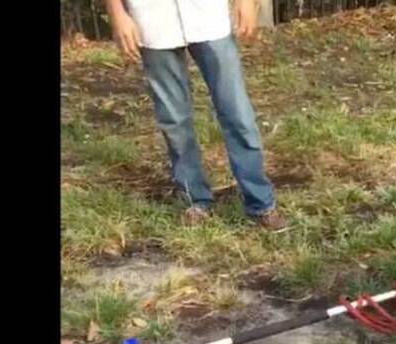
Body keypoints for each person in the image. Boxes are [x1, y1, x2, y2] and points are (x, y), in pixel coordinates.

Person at [104, 0, 286, 229]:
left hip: (208, 15)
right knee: (174, 120)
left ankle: (260, 203)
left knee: (237, 112)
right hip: (151, 19)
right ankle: (195, 200)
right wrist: (117, 13)